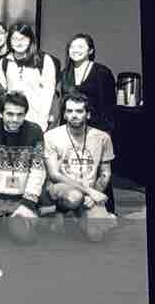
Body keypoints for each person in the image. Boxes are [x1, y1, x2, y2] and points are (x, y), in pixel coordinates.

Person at [0, 91, 46, 244]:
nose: (15, 119)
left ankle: (9, 221)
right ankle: (0, 220)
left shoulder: (35, 132)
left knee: (25, 237)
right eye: (10, 114)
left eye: (20, 115)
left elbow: (38, 171)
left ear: (25, 114)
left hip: (21, 198)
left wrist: (27, 204)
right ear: (1, 113)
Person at [44, 92, 117, 242]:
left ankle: (75, 216)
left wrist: (94, 195)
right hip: (62, 189)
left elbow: (105, 173)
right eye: (69, 111)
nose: (74, 115)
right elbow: (54, 174)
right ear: (64, 114)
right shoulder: (51, 136)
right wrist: (90, 192)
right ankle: (61, 211)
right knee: (74, 197)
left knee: (96, 236)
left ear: (88, 114)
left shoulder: (103, 138)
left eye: (79, 111)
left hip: (90, 191)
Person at [0, 22, 57, 130]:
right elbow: (1, 95)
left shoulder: (44, 60)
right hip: (12, 119)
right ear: (9, 41)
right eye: (15, 39)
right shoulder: (3, 62)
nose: (19, 42)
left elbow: (49, 93)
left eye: (23, 39)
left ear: (30, 40)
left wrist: (43, 121)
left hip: (37, 119)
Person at [57, 33, 117, 133]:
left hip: (96, 129)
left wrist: (106, 132)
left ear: (90, 51)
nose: (75, 50)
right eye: (72, 47)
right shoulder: (64, 74)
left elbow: (109, 107)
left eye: (80, 47)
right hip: (70, 129)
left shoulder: (102, 72)